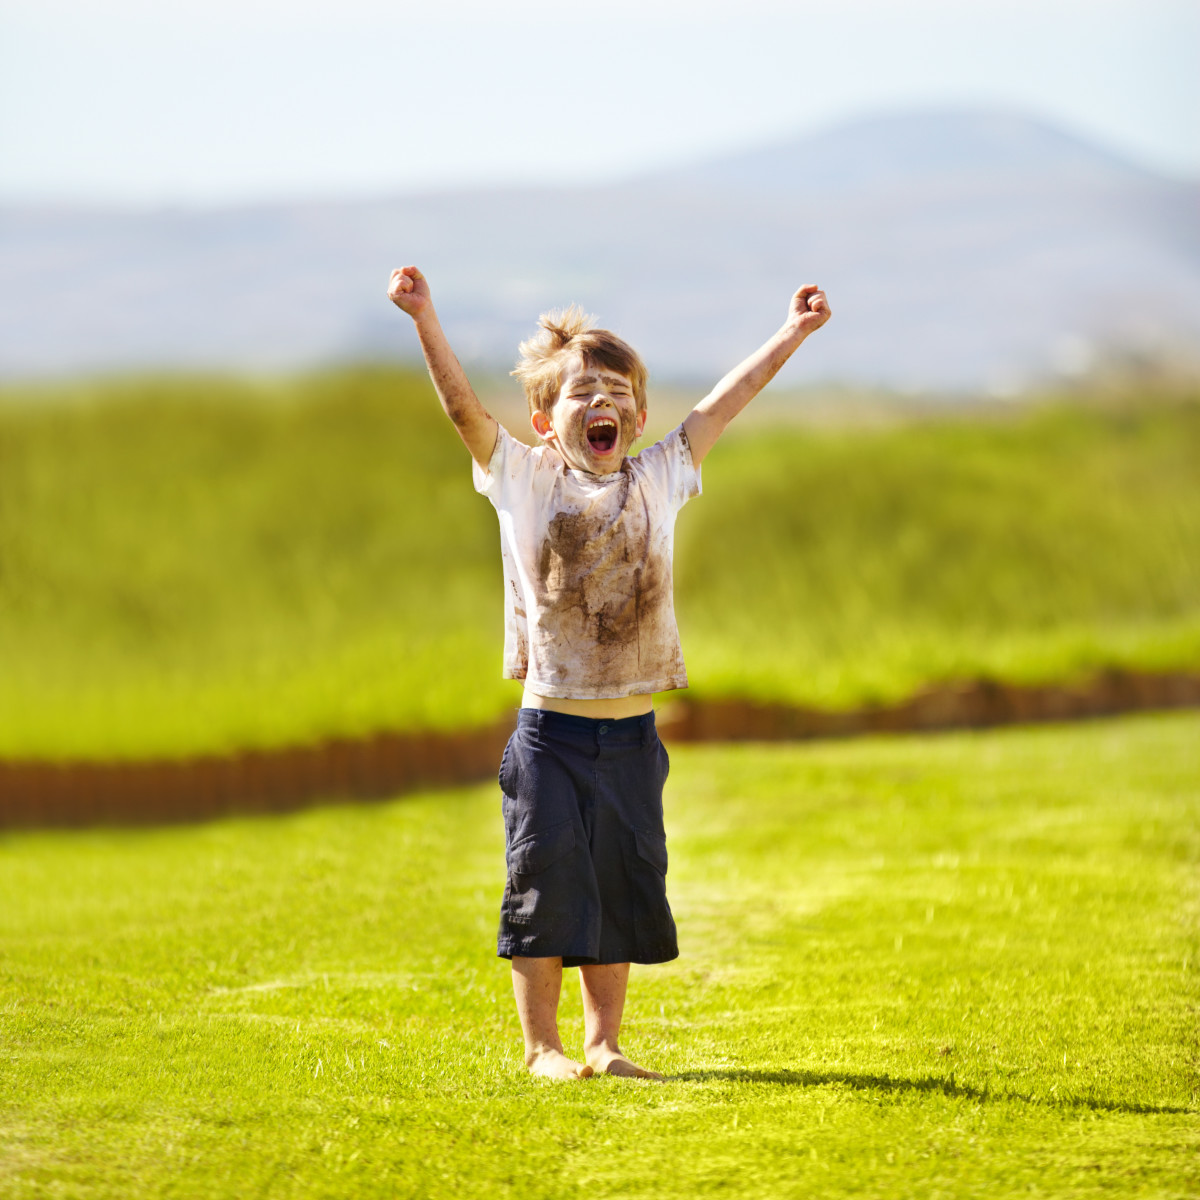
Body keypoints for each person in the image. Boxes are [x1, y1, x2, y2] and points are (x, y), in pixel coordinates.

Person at [387, 266, 831, 1079]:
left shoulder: (659, 476)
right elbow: (462, 411)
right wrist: (425, 317)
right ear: (544, 421)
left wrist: (793, 332)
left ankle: (606, 1044)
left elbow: (724, 404)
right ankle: (543, 1049)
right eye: (582, 394)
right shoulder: (522, 478)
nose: (604, 405)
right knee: (545, 888)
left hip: (631, 738)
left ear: (641, 414)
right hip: (551, 735)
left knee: (620, 889)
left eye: (619, 392)